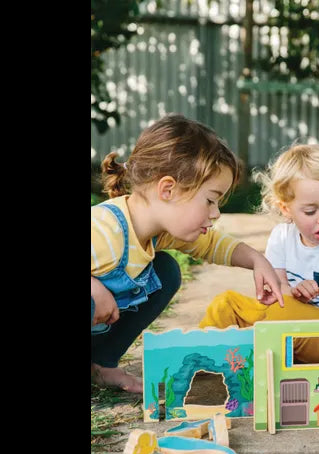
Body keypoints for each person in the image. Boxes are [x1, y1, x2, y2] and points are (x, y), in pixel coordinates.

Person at [91, 114, 284, 393]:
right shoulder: (104, 230)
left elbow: (213, 245)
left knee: (165, 271)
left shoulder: (160, 232)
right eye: (210, 200)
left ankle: (101, 364)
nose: (215, 213)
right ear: (168, 189)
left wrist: (257, 260)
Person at [199, 142, 319, 362]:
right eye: (310, 211)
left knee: (279, 315)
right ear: (286, 209)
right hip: (292, 323)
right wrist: (296, 293)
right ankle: (198, 358)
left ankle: (246, 358)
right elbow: (279, 291)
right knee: (227, 304)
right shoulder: (282, 235)